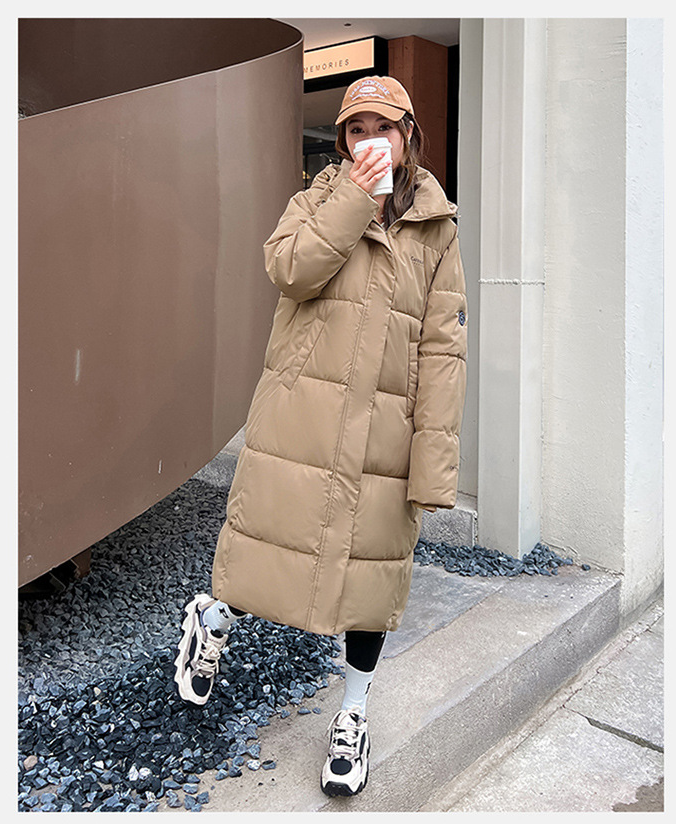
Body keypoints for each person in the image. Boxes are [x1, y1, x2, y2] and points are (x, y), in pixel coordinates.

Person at [174, 75, 468, 798]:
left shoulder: (437, 229)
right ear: (343, 142)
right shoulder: (316, 200)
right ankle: (212, 617)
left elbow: (442, 348)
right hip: (301, 414)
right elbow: (290, 270)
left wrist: (433, 460)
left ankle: (353, 713)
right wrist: (353, 201)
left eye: (384, 127)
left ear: (408, 134)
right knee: (269, 547)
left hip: (384, 436)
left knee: (370, 581)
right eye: (356, 129)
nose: (371, 140)